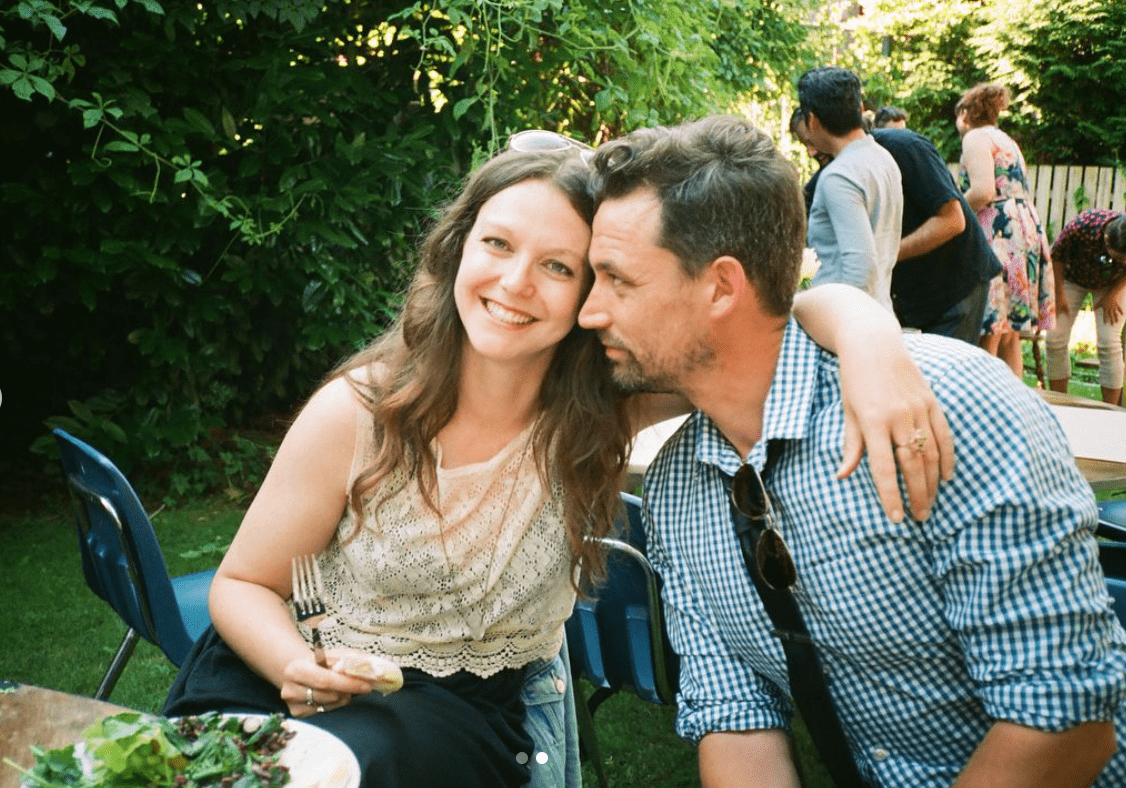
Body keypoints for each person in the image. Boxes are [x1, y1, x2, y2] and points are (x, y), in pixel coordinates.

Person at [162, 134, 952, 788]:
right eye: (498, 244)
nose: (514, 283)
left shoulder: (607, 403)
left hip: (450, 723)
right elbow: (243, 584)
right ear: (458, 246)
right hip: (280, 683)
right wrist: (296, 665)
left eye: (558, 267)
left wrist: (869, 339)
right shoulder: (364, 410)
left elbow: (764, 320)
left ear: (590, 291)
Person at [578, 114, 1126, 788]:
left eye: (617, 281)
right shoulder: (676, 488)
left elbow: (1066, 717)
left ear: (721, 286)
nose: (589, 311)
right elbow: (733, 710)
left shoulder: (948, 408)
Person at [957, 81, 1056, 376]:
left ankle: (980, 401)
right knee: (1010, 330)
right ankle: (1014, 401)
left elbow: (982, 192)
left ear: (965, 114)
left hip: (997, 228)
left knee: (989, 325)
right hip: (1022, 226)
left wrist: (954, 214)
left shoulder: (975, 138)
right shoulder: (1006, 140)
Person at [870, 125, 1002, 343]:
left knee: (948, 372)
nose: (811, 153)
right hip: (912, 295)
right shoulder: (833, 168)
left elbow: (952, 220)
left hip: (955, 284)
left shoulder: (904, 147)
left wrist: (886, 255)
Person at [797, 67, 902, 311]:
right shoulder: (883, 158)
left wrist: (846, 327)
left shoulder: (839, 176)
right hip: (880, 307)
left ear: (812, 120)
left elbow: (861, 268)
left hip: (848, 320)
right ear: (861, 108)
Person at [1046, 209, 1126, 405]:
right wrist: (1059, 294)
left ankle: (1110, 410)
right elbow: (1057, 256)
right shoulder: (1082, 226)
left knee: (1109, 342)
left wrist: (1112, 295)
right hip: (1073, 278)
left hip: (1113, 283)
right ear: (1107, 240)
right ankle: (1060, 402)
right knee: (1055, 337)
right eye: (1121, 258)